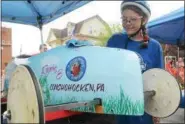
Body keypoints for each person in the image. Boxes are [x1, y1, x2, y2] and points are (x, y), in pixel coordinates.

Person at [106, 0, 164, 124]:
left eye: (132, 19)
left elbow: (159, 81)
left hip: (144, 111)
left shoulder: (154, 47)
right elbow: (103, 66)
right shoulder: (115, 41)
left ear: (144, 20)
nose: (127, 23)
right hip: (119, 108)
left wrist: (157, 111)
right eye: (124, 19)